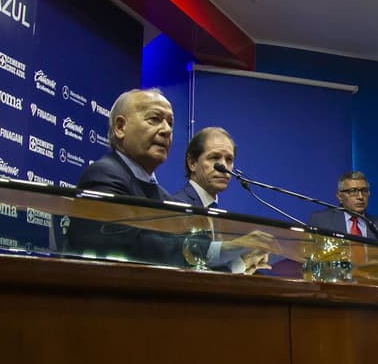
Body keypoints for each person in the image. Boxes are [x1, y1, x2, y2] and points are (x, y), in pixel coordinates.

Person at [70, 89, 272, 270]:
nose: (166, 130)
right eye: (154, 119)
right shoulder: (103, 176)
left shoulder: (162, 196)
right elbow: (124, 249)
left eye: (170, 123)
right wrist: (219, 249)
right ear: (121, 127)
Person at [172, 127, 234, 208]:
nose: (224, 166)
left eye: (229, 159)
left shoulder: (218, 211)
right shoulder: (177, 207)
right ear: (192, 163)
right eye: (214, 157)